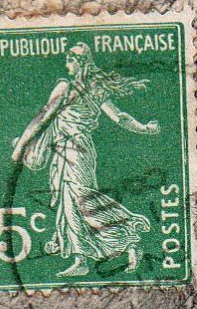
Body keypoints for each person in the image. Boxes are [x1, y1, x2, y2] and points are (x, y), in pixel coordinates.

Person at [11, 43, 158, 276]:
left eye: (70, 61)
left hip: (75, 149)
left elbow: (41, 120)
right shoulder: (95, 89)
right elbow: (120, 117)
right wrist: (145, 128)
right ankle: (82, 259)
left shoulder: (66, 88)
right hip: (69, 150)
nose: (66, 65)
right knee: (68, 203)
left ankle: (128, 235)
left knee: (81, 199)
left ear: (80, 63)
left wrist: (20, 147)